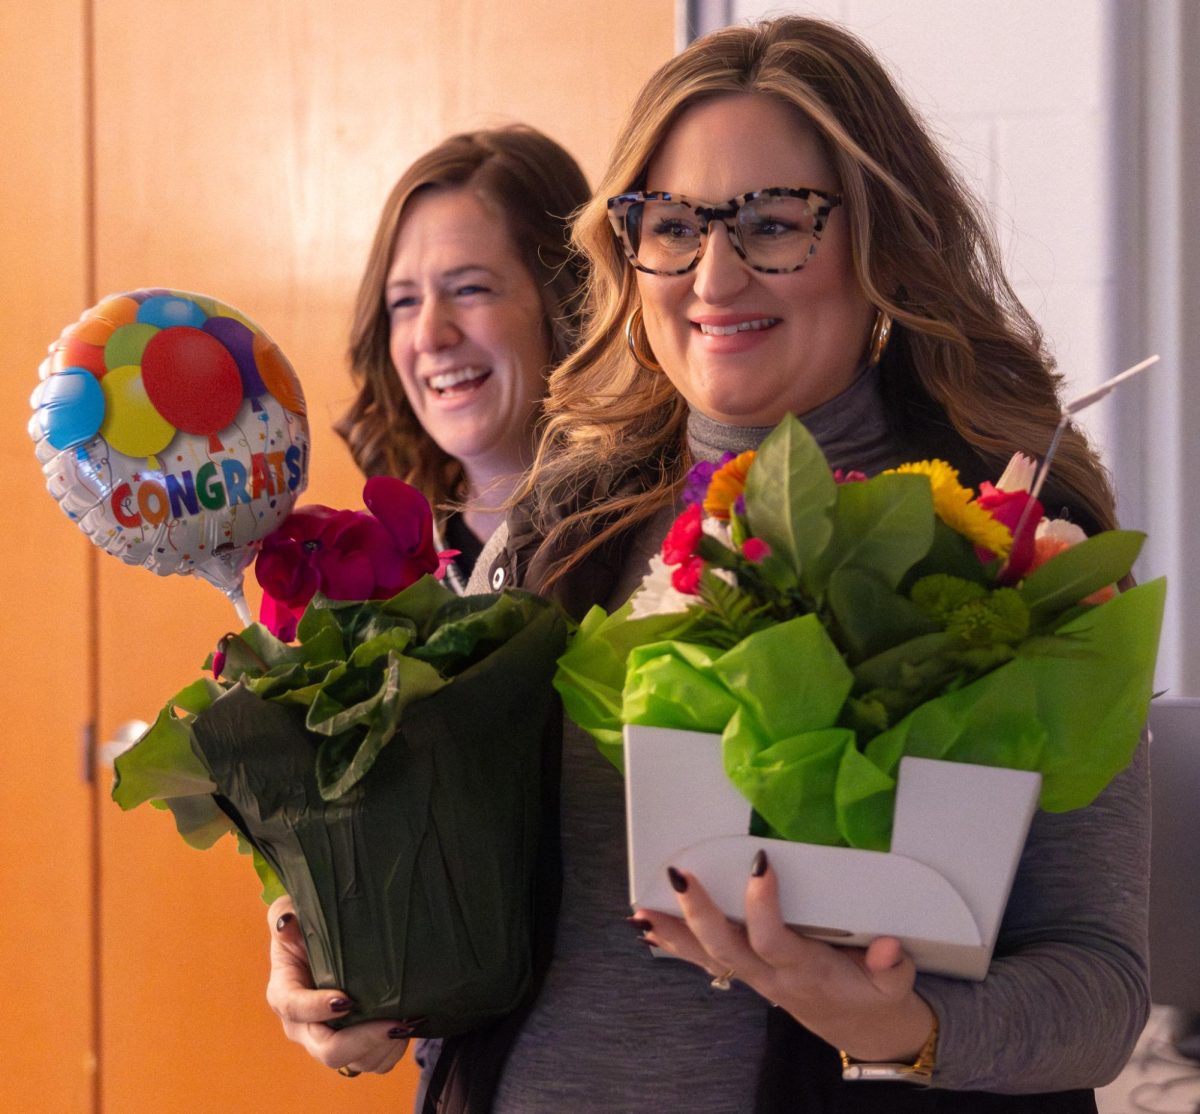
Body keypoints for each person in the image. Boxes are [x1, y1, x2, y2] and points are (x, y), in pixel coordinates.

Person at [267, 18, 1147, 1113]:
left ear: (880, 242)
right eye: (672, 225)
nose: (715, 274)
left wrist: (905, 1027)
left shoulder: (1012, 543)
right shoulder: (561, 528)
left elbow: (1099, 991)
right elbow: (463, 885)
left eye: (776, 223)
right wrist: (346, 985)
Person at [334, 125, 589, 591]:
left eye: (470, 289)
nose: (429, 336)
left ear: (567, 301)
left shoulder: (661, 548)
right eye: (405, 302)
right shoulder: (386, 585)